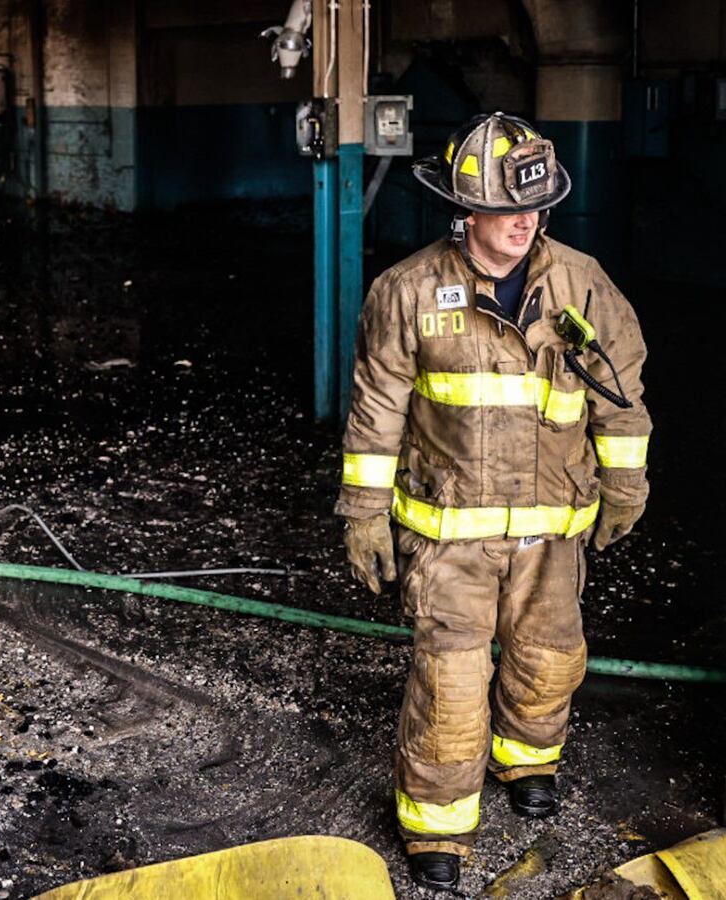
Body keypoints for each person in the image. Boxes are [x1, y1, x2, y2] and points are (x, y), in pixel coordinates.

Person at [334, 112, 653, 891]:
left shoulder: (583, 283)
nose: (524, 223)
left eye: (536, 207)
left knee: (550, 663)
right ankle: (437, 826)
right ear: (464, 207)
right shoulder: (407, 291)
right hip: (449, 538)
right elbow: (376, 409)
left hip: (553, 529)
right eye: (508, 209)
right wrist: (364, 513)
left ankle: (526, 763)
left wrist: (625, 485)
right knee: (450, 684)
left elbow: (623, 395)